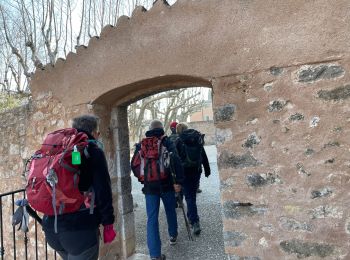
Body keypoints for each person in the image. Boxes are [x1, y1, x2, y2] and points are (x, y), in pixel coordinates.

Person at [42, 115, 116, 260]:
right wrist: (108, 223)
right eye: (98, 132)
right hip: (80, 230)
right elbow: (103, 190)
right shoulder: (93, 151)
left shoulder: (57, 150)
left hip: (52, 227)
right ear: (94, 133)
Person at [131, 120, 184, 260]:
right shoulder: (166, 142)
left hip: (149, 188)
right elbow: (176, 161)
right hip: (167, 185)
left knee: (152, 219)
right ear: (162, 129)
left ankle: (155, 255)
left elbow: (134, 165)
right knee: (170, 210)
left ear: (149, 129)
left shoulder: (142, 144)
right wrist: (178, 182)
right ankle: (173, 235)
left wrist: (143, 179)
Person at [176, 123, 210, 236]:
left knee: (189, 197)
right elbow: (203, 155)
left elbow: (175, 159)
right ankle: (192, 217)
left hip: (184, 172)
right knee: (192, 196)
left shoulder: (179, 140)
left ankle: (195, 221)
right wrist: (207, 169)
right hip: (196, 171)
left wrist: (175, 177)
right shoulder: (196, 138)